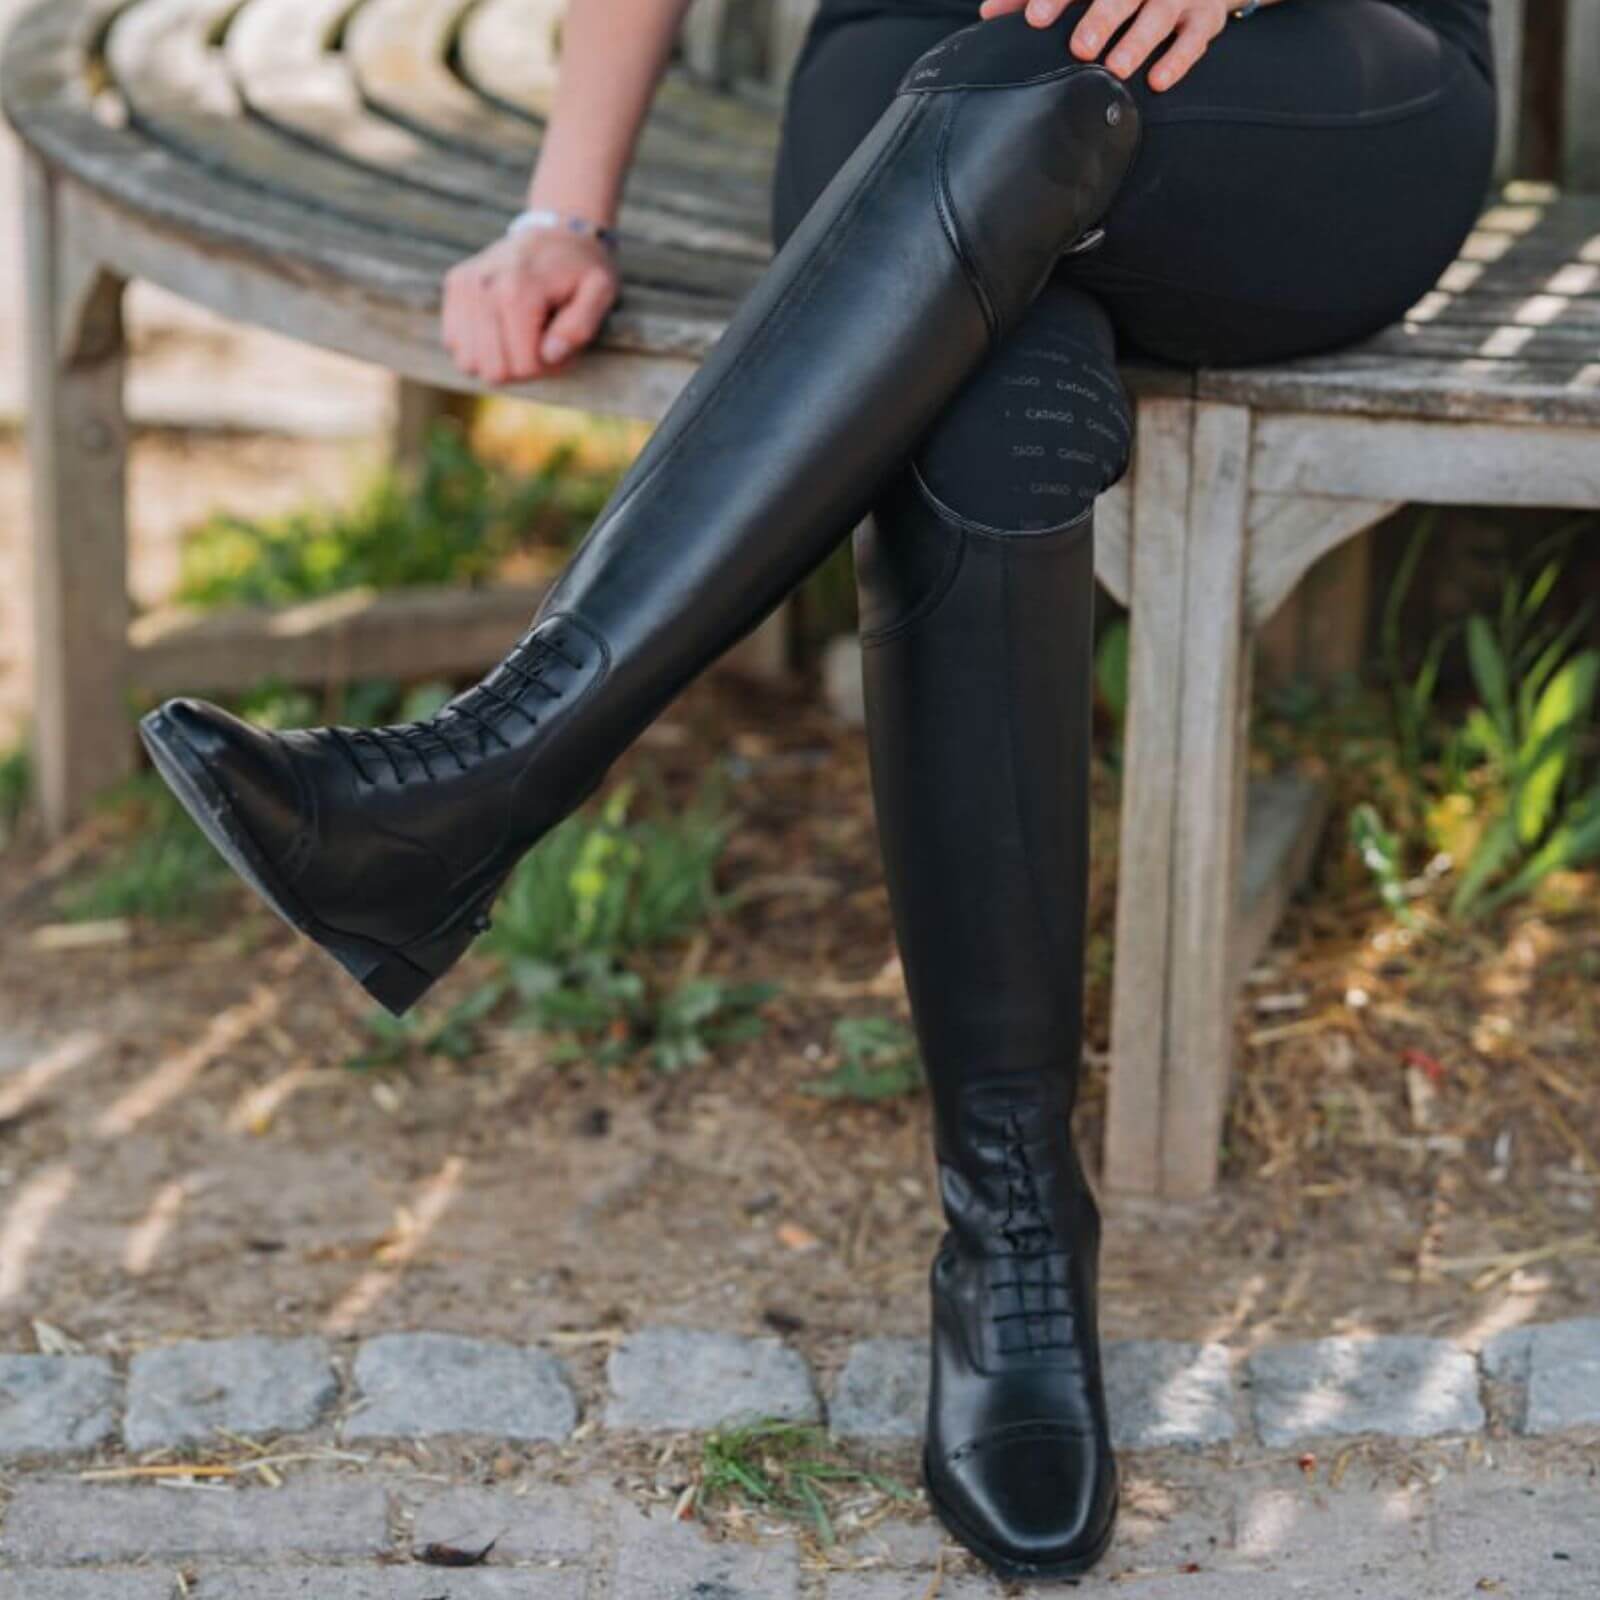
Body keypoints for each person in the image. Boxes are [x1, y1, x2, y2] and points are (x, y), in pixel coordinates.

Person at [139, 0, 1495, 1580]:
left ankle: (491, 767)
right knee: (980, 377)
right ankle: (1012, 1229)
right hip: (914, 78)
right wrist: (562, 214)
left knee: (1017, 126)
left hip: (1308, 82)